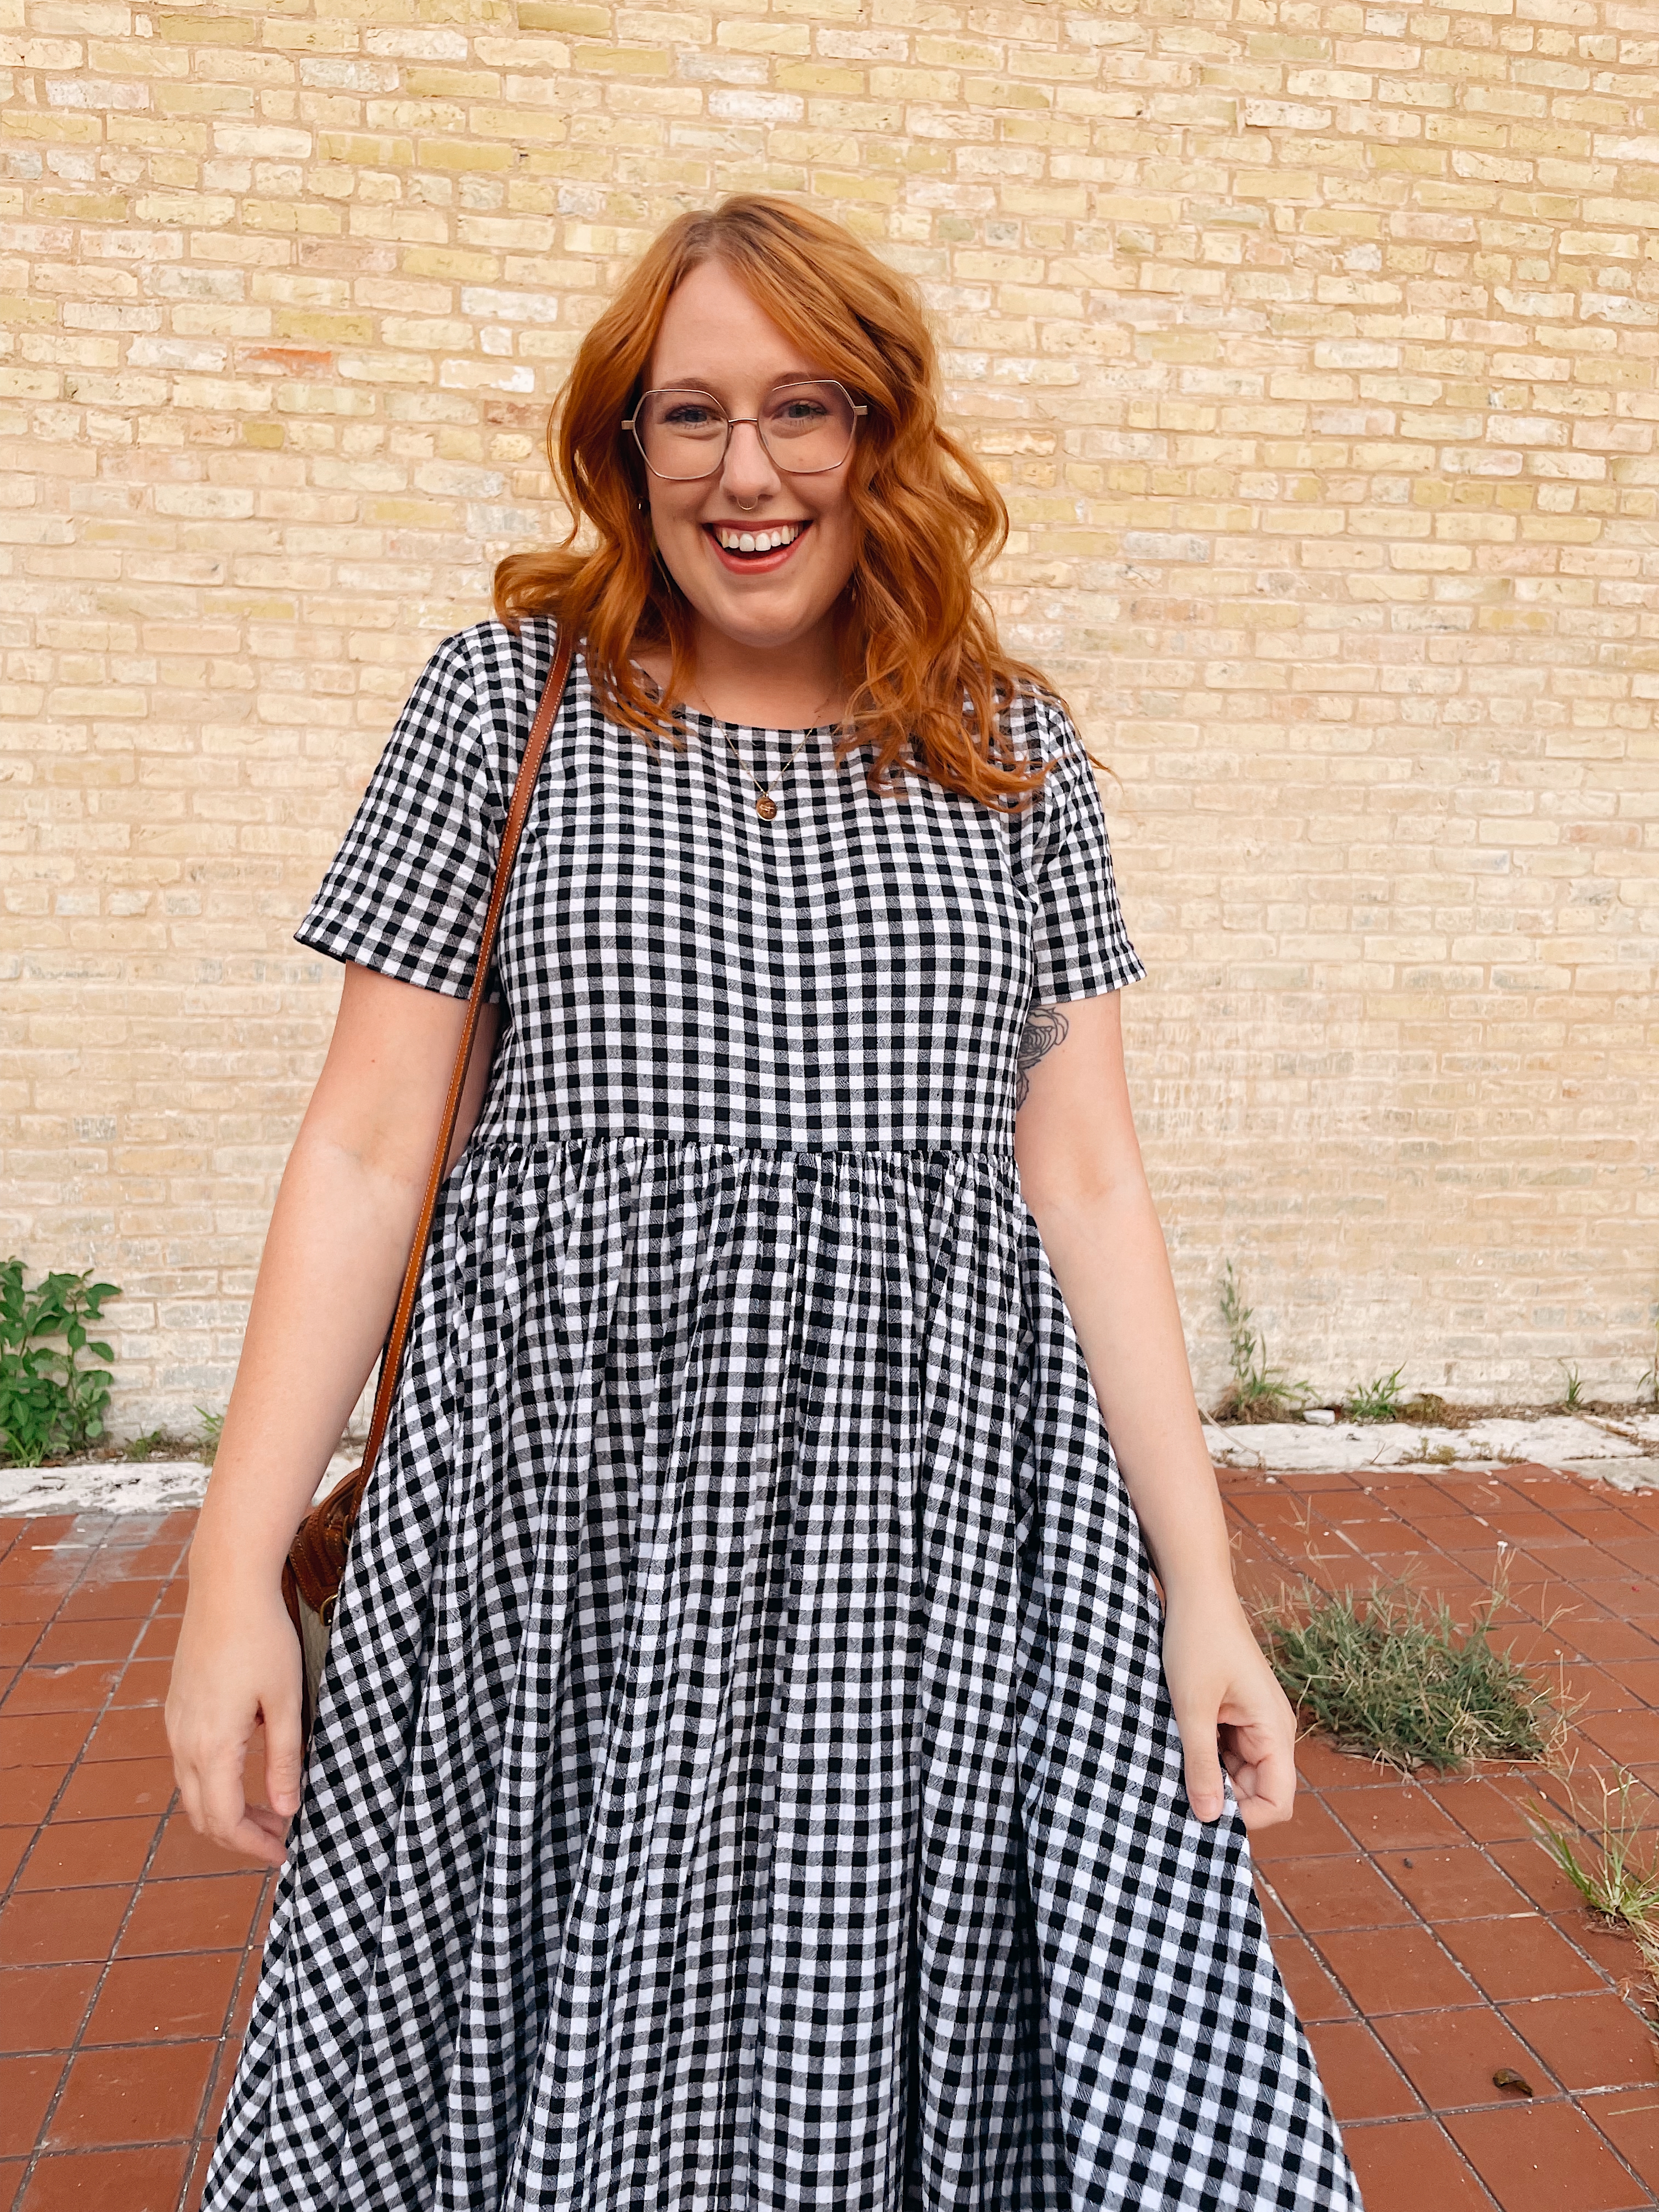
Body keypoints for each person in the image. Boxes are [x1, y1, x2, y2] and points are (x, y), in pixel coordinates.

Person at [167, 194, 1361, 2211]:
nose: (748, 471)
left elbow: (1084, 1178)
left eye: (804, 409)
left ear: (885, 435)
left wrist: (1206, 1587)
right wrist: (223, 1586)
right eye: (690, 414)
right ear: (624, 447)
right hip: (562, 1553)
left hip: (958, 1556)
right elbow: (367, 1150)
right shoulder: (504, 708)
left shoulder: (1012, 748)